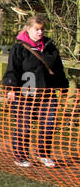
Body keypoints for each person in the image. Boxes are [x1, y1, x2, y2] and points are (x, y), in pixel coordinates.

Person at [4, 14, 68, 168]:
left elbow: (58, 69)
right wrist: (10, 88)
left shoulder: (50, 48)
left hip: (47, 93)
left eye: (42, 30)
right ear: (28, 29)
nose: (40, 33)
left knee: (48, 124)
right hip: (25, 94)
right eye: (37, 29)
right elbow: (12, 70)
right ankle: (20, 156)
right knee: (24, 126)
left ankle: (43, 154)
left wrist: (64, 87)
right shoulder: (19, 48)